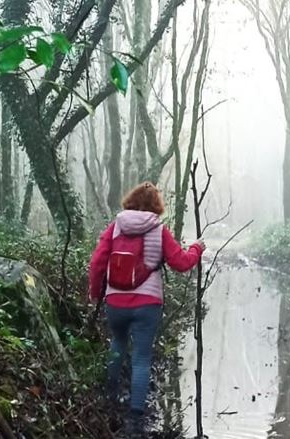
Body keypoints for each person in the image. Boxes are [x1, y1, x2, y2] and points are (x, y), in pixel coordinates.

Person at [88, 182, 205, 436]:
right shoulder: (158, 230)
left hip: (115, 302)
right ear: (156, 206)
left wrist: (96, 292)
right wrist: (196, 248)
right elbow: (181, 263)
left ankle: (110, 397)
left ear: (130, 200)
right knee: (141, 358)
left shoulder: (115, 227)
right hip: (147, 303)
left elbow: (97, 262)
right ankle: (135, 420)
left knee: (117, 344)